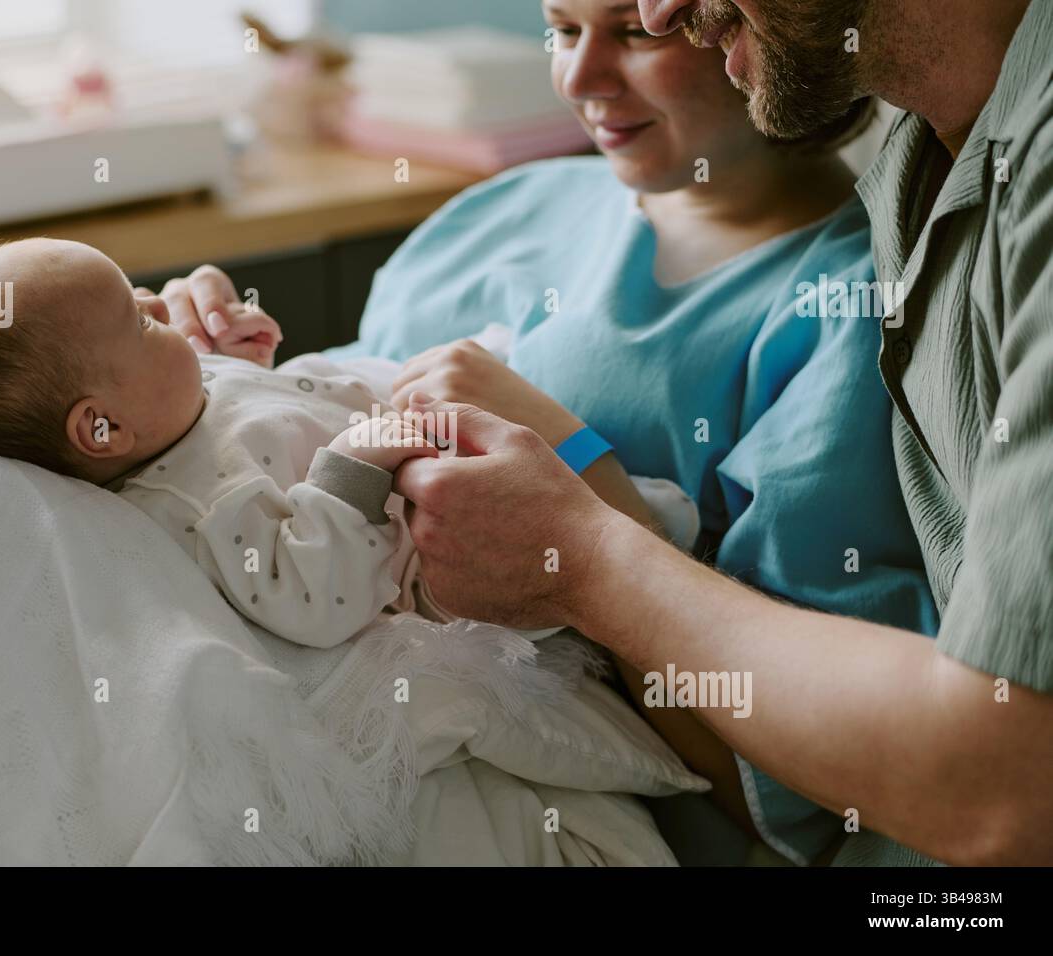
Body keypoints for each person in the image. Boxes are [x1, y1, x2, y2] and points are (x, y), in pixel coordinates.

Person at [161, 0, 941, 864]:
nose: (580, 80)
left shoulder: (848, 310)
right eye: (564, 31)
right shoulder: (499, 213)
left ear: (752, 29)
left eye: (637, 34)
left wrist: (583, 482)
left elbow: (811, 787)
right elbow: (310, 437)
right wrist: (203, 367)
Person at [387, 0, 1053, 865]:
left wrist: (587, 546)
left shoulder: (842, 287)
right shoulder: (929, 166)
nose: (662, 8)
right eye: (564, 27)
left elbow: (1000, 789)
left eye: (633, 31)